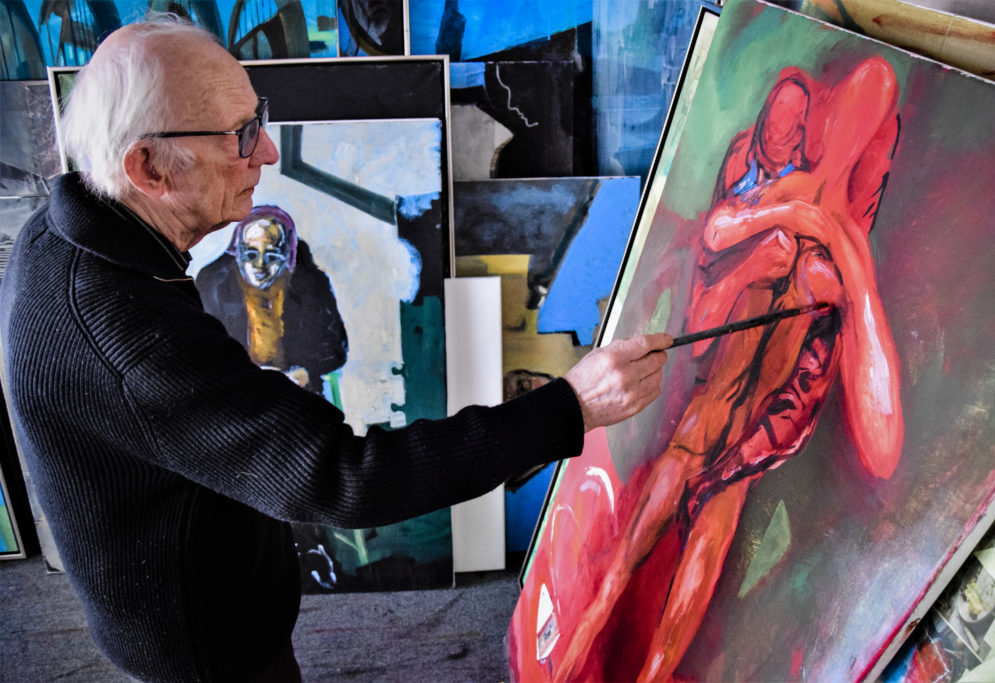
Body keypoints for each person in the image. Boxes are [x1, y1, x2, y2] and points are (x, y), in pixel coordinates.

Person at [0, 17, 672, 683]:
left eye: (255, 119)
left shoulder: (62, 234)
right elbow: (349, 479)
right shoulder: (126, 333)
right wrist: (570, 406)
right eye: (240, 135)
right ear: (146, 167)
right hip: (206, 648)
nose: (265, 153)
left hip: (179, 587)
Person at [553, 58, 905, 682]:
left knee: (713, 507)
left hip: (745, 441)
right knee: (623, 562)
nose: (795, 133)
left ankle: (635, 666)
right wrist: (787, 232)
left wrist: (837, 251)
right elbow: (717, 241)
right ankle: (575, 645)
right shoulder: (774, 191)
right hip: (707, 409)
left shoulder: (843, 247)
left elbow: (881, 443)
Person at [195, 204, 348, 396]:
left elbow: (335, 348)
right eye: (251, 254)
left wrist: (303, 372)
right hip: (234, 393)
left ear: (287, 256)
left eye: (272, 256)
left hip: (296, 393)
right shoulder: (214, 282)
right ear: (238, 251)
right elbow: (202, 354)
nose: (260, 265)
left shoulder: (309, 283)